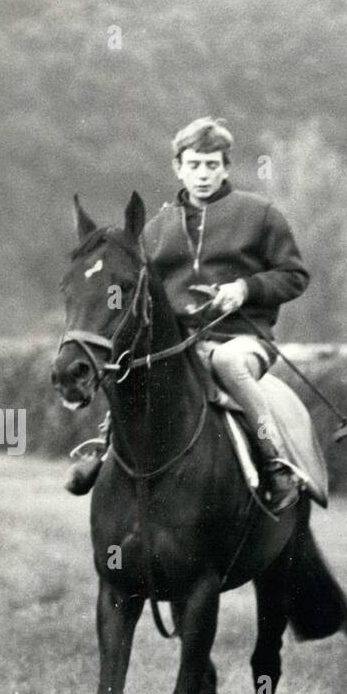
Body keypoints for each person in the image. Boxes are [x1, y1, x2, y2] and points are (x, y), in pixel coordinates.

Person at [65, 116, 309, 510]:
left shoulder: (260, 215)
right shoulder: (156, 229)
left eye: (212, 165)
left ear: (226, 167)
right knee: (131, 366)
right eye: (194, 164)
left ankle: (276, 462)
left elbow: (295, 276)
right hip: (180, 343)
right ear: (178, 167)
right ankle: (103, 444)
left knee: (230, 363)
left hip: (242, 340)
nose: (203, 174)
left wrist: (245, 289)